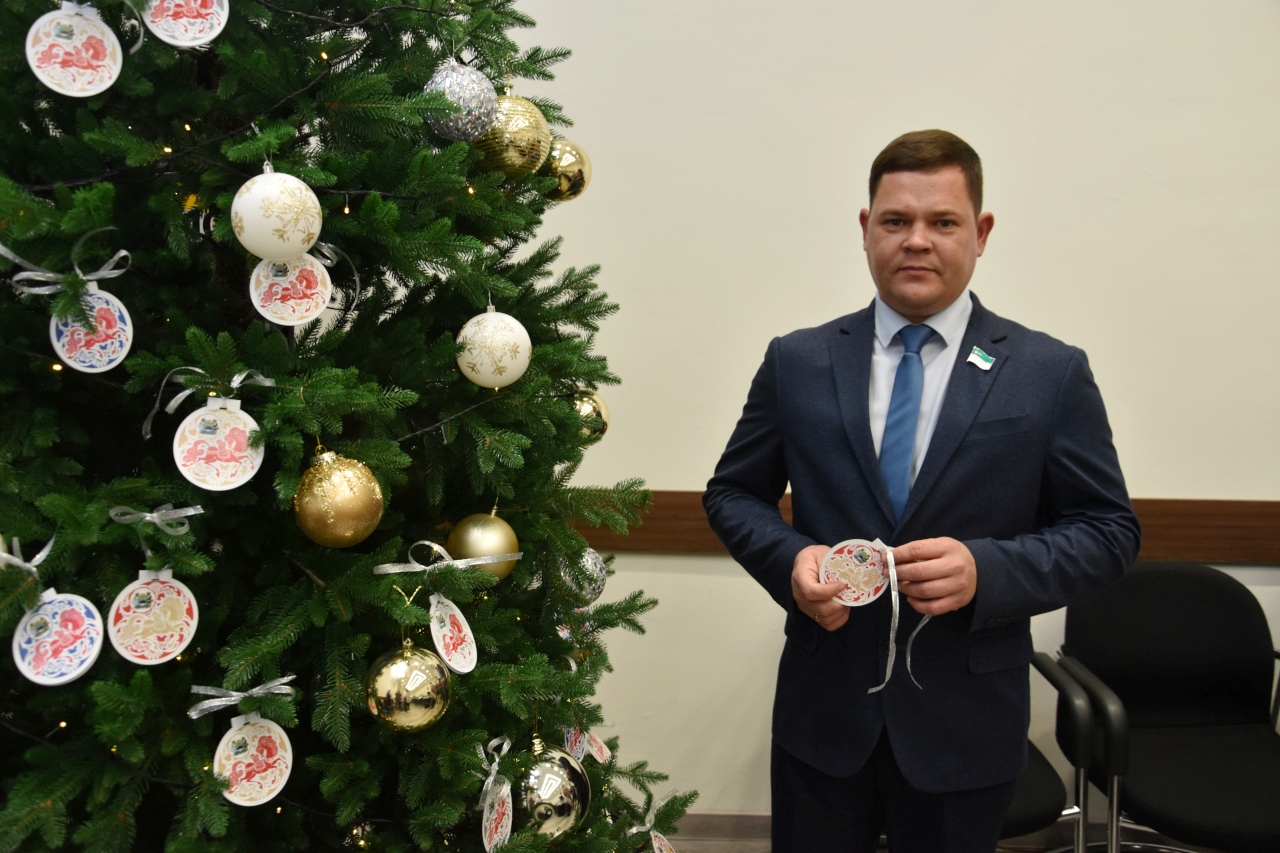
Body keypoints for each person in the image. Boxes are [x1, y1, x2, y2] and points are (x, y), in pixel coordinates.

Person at [702, 130, 1141, 853]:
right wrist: (791, 561)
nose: (916, 240)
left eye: (943, 221)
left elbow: (1108, 532)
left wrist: (986, 570)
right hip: (823, 714)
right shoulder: (799, 361)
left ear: (981, 233)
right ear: (865, 228)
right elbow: (733, 494)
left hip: (965, 724)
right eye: (895, 220)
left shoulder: (1048, 372)